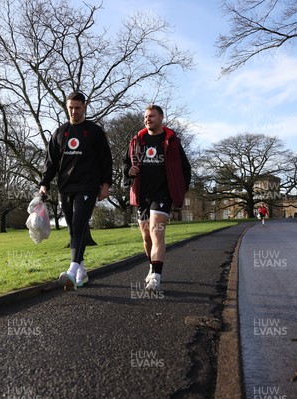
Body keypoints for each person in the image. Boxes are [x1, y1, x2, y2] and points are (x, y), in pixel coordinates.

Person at [39, 92, 112, 291]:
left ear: (85, 107)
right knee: (73, 229)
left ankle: (71, 270)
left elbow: (106, 160)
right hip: (66, 187)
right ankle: (82, 271)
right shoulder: (60, 133)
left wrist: (105, 184)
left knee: (79, 224)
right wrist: (44, 183)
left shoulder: (95, 132)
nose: (74, 111)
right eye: (70, 107)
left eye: (77, 108)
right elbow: (51, 162)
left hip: (87, 186)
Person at [124, 105, 191, 291]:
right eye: (145, 117)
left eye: (151, 116)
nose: (147, 119)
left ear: (161, 117)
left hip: (163, 193)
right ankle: (152, 266)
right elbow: (126, 164)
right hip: (142, 194)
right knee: (146, 237)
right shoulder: (137, 140)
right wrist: (128, 172)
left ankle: (156, 276)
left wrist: (180, 188)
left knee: (156, 231)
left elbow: (185, 168)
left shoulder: (172, 141)